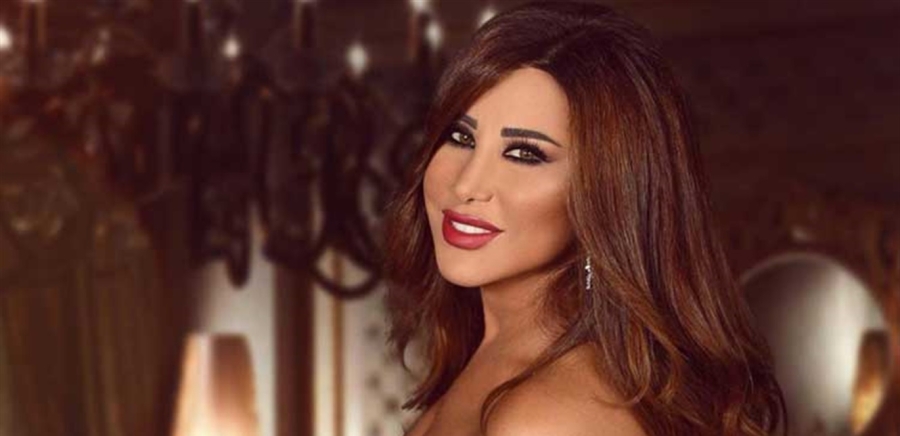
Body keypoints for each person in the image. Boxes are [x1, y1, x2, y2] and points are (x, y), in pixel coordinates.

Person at [381, 2, 786, 435]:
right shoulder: (494, 354)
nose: (466, 184)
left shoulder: (548, 418)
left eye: (524, 153)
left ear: (607, 194)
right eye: (461, 137)